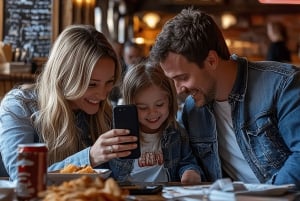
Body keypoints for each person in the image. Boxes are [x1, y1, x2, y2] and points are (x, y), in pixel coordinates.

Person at [150, 8, 300, 189]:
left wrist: (262, 197)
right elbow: (184, 160)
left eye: (182, 77)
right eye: (172, 80)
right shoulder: (192, 110)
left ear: (211, 60)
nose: (179, 89)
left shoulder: (283, 84)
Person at [0, 25, 139, 181]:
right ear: (65, 77)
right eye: (92, 84)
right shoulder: (19, 106)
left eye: (109, 82)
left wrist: (123, 154)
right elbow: (23, 177)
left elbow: (117, 180)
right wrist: (90, 157)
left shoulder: (104, 114)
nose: (102, 95)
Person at [108, 62, 202, 184]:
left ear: (170, 101)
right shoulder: (118, 136)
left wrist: (189, 172)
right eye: (142, 107)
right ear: (130, 106)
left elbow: (187, 161)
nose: (152, 113)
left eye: (159, 105)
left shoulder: (176, 132)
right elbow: (110, 173)